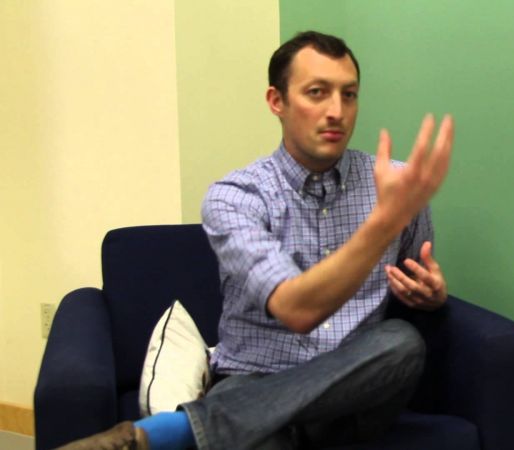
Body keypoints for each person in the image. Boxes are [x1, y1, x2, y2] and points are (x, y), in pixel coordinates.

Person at [60, 30, 454, 450]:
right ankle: (263, 426)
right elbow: (297, 309)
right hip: (254, 379)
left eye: (349, 94)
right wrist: (383, 223)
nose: (337, 111)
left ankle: (176, 432)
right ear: (276, 101)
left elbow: (412, 279)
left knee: (401, 342)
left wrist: (431, 297)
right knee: (257, 428)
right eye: (317, 93)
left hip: (353, 394)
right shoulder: (235, 197)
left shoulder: (394, 186)